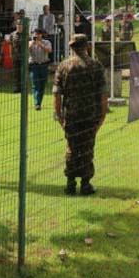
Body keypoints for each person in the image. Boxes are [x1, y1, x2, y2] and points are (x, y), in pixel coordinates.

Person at [53, 34, 107, 196]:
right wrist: (102, 116)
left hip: (71, 114)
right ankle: (85, 184)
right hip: (90, 115)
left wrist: (59, 116)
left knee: (71, 148)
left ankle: (70, 183)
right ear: (87, 46)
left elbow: (56, 95)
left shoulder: (63, 66)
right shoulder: (96, 66)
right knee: (87, 148)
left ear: (71, 47)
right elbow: (103, 94)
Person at [28, 28, 53, 110]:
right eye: (34, 34)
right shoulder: (30, 42)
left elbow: (49, 50)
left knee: (42, 85)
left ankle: (39, 102)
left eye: (38, 34)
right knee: (35, 85)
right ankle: (37, 103)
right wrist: (31, 45)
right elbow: (25, 51)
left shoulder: (46, 42)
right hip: (34, 66)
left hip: (43, 65)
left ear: (41, 35)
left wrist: (40, 45)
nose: (36, 36)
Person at [9, 21, 26, 93]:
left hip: (24, 56)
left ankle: (23, 87)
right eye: (18, 25)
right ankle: (17, 87)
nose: (19, 26)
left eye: (20, 24)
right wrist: (10, 54)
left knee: (23, 72)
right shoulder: (12, 34)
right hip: (16, 55)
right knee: (16, 73)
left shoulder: (26, 34)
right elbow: (10, 45)